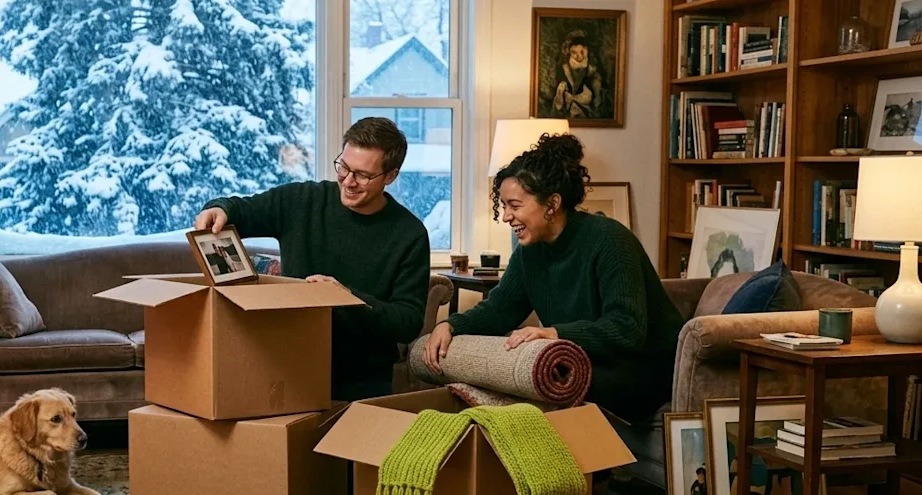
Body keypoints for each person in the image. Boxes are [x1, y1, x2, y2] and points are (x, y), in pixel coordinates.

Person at [421, 133, 683, 423]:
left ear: (552, 204)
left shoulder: (609, 240)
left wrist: (555, 333)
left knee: (543, 388)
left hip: (643, 369)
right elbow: (499, 311)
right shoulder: (529, 251)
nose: (506, 216)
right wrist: (450, 325)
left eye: (515, 205)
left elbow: (627, 328)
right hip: (582, 361)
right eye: (504, 205)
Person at [194, 117, 430, 401]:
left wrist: (346, 299)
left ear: (390, 176)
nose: (349, 181)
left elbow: (407, 322)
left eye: (363, 175)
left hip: (361, 377)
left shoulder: (410, 234)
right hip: (287, 364)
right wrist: (218, 209)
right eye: (343, 167)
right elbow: (241, 209)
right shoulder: (302, 200)